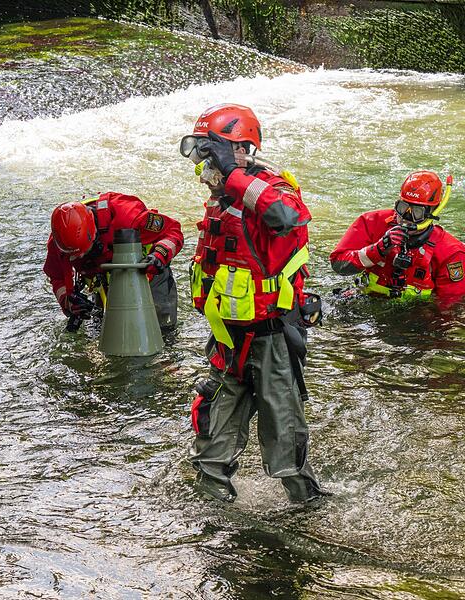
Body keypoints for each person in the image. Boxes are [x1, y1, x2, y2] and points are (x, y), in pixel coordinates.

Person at [181, 103, 324, 503]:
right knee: (211, 440)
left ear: (240, 150)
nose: (204, 165)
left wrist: (235, 173)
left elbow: (288, 216)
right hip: (227, 342)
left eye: (212, 154)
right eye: (202, 154)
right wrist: (227, 177)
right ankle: (212, 519)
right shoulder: (220, 198)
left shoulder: (271, 189)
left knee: (286, 445)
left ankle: (307, 512)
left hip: (271, 339)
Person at [43, 192, 184, 330]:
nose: (79, 257)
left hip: (149, 275)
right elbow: (57, 277)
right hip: (102, 283)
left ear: (94, 231)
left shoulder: (127, 216)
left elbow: (173, 231)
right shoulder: (60, 240)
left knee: (161, 330)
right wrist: (69, 303)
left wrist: (160, 255)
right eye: (74, 256)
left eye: (83, 252)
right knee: (105, 332)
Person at [330, 170, 465, 309]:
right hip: (366, 301)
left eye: (417, 212)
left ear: (433, 212)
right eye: (403, 208)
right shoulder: (372, 222)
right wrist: (377, 250)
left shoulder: (451, 253)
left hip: (416, 317)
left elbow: (450, 308)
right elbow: (338, 265)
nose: (406, 217)